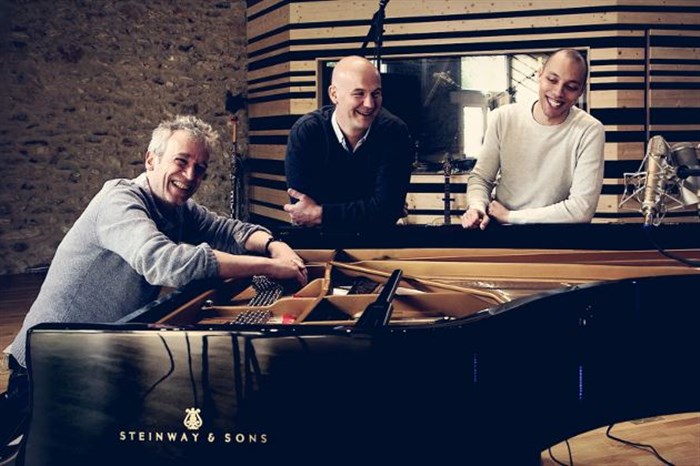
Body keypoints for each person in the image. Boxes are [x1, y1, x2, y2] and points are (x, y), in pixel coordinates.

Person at [1, 115, 307, 449]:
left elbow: (227, 229)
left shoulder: (178, 208)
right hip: (45, 365)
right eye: (181, 162)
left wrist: (275, 245)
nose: (190, 176)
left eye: (200, 168)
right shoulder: (119, 200)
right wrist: (270, 268)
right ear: (151, 159)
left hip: (95, 354)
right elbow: (166, 262)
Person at [461, 49, 605, 230]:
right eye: (552, 80)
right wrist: (477, 207)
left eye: (571, 87)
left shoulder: (590, 130)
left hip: (557, 237)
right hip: (501, 233)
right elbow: (481, 178)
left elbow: (581, 209)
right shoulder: (503, 118)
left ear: (581, 91)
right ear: (540, 74)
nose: (558, 92)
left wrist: (510, 216)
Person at [284, 55, 414, 228]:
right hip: (318, 239)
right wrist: (373, 207)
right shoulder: (306, 132)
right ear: (334, 94)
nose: (369, 104)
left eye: (376, 93)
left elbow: (387, 210)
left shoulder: (395, 132)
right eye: (359, 93)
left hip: (376, 239)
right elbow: (303, 211)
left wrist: (321, 213)